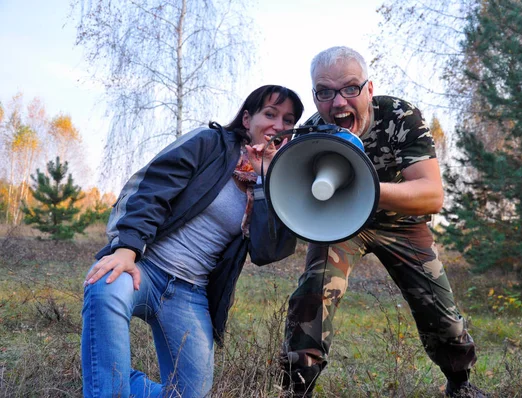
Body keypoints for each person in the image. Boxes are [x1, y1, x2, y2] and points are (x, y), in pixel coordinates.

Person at [279, 47, 485, 398]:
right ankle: (299, 389)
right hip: (341, 224)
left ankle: (459, 383)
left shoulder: (400, 117)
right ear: (315, 96)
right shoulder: (311, 133)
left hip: (402, 223)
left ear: (369, 90)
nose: (338, 102)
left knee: (440, 313)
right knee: (313, 293)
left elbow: (432, 194)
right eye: (324, 92)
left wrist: (366, 187)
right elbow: (296, 196)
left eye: (350, 88)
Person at [81, 85, 303, 397]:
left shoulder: (277, 182)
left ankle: (113, 381)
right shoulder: (210, 144)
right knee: (104, 288)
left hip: (190, 293)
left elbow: (268, 250)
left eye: (288, 120)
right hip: (146, 268)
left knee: (188, 394)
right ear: (247, 119)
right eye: (270, 114)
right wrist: (127, 249)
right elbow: (152, 190)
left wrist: (266, 177)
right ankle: (108, 389)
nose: (279, 125)